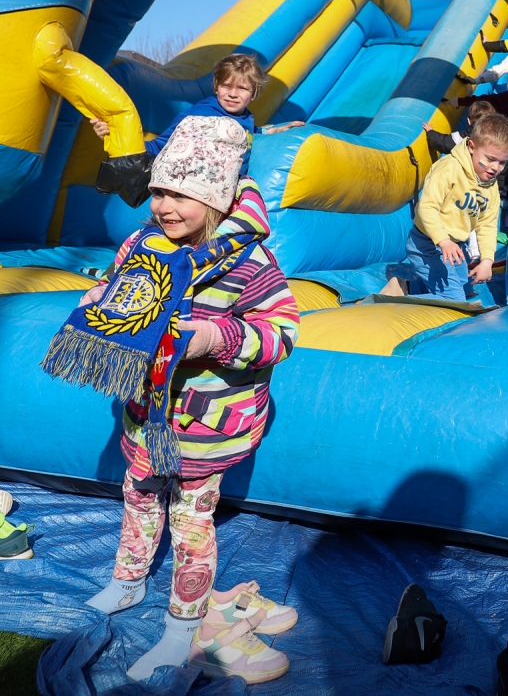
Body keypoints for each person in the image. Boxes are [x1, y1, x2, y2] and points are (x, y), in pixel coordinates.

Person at [78, 117, 301, 682]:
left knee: (192, 520)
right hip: (147, 411)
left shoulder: (248, 263)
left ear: (216, 197)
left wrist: (214, 338)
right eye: (158, 191)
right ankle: (129, 580)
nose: (164, 206)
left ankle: (185, 624)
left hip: (206, 423)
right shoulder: (143, 245)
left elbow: (282, 332)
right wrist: (98, 300)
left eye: (181, 194)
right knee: (138, 492)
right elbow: (115, 285)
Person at [381, 113, 508, 300]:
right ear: (471, 147)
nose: (495, 167)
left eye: (502, 162)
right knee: (454, 298)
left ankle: (406, 286)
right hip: (428, 243)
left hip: (455, 247)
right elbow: (427, 208)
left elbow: (487, 224)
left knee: (465, 290)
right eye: (490, 159)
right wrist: (443, 240)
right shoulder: (449, 169)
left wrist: (487, 261)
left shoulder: (490, 186)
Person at [88, 54, 301, 152]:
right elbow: (161, 145)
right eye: (227, 86)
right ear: (216, 87)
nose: (233, 94)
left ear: (254, 94)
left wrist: (273, 131)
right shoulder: (199, 115)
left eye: (242, 88)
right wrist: (114, 133)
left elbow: (247, 132)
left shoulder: (245, 117)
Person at [425, 99, 495, 156]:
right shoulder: (496, 135)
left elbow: (443, 143)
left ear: (469, 121)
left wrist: (430, 132)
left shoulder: (464, 138)